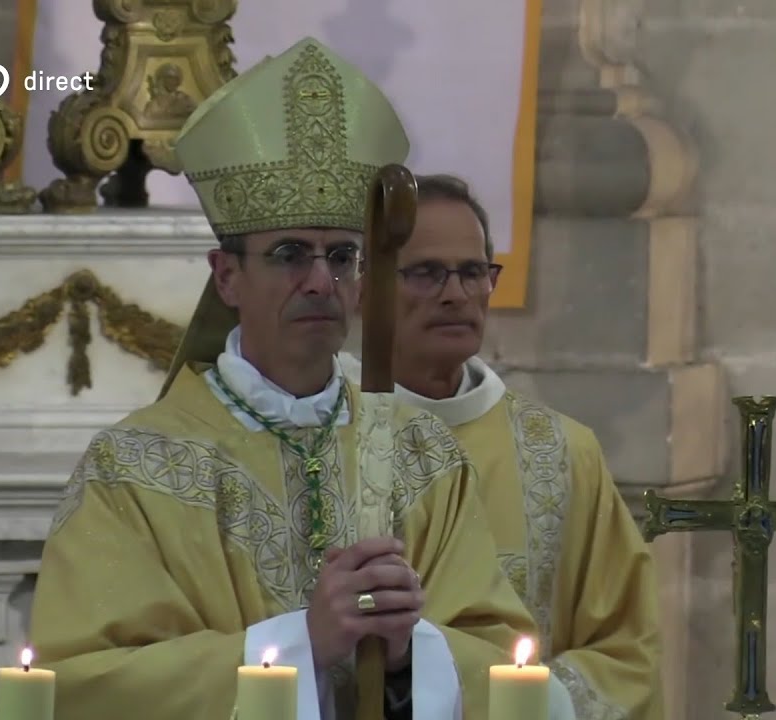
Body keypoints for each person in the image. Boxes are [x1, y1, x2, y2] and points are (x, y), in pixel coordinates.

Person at [29, 40, 549, 720]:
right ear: (227, 276)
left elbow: (502, 658)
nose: (320, 281)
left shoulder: (422, 455)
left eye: (342, 256)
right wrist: (303, 642)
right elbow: (81, 684)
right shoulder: (133, 469)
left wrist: (409, 654)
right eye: (289, 254)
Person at [340, 174, 664, 719]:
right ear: (362, 288)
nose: (456, 294)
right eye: (426, 273)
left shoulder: (563, 454)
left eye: (472, 272)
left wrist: (521, 700)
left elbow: (628, 653)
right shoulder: (320, 437)